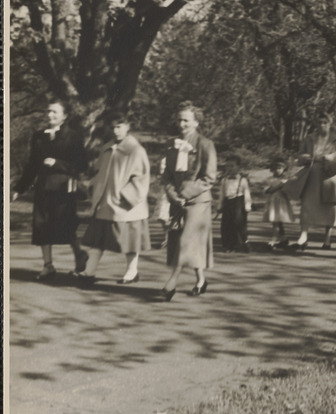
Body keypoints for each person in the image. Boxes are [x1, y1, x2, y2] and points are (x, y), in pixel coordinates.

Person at [13, 100, 89, 280]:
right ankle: (48, 266)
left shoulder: (73, 136)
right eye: (48, 112)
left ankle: (79, 255)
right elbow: (32, 166)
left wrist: (58, 163)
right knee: (41, 225)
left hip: (63, 188)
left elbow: (81, 165)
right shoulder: (39, 136)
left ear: (64, 116)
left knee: (66, 224)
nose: (50, 115)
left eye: (54, 112)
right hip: (43, 188)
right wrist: (19, 188)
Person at [78, 112, 151, 286]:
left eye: (119, 126)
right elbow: (99, 172)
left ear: (128, 127)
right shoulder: (107, 148)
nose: (116, 131)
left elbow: (142, 178)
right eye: (113, 127)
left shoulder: (135, 150)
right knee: (98, 240)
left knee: (130, 242)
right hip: (104, 203)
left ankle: (132, 272)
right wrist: (93, 187)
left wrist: (125, 197)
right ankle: (89, 272)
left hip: (125, 206)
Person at [159, 102, 217, 300]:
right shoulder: (171, 144)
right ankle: (201, 280)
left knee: (186, 241)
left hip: (198, 201)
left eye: (186, 120)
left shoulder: (205, 144)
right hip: (177, 200)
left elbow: (209, 178)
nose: (182, 124)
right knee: (186, 242)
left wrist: (185, 194)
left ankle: (171, 283)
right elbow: (165, 176)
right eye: (179, 120)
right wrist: (174, 196)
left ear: (196, 122)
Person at [291, 113, 336, 251]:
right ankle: (303, 237)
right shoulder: (310, 138)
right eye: (320, 122)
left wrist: (332, 158)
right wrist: (303, 158)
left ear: (330, 124)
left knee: (329, 206)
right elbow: (300, 155)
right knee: (307, 205)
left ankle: (327, 239)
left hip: (330, 176)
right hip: (312, 174)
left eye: (325, 122)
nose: (322, 125)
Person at [217, 158, 252, 252]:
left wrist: (248, 205)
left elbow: (246, 192)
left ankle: (244, 242)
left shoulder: (242, 180)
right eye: (227, 166)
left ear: (238, 167)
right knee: (227, 224)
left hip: (239, 202)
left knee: (239, 223)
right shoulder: (224, 180)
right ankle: (228, 245)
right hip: (228, 202)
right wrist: (220, 205)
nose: (230, 168)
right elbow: (222, 193)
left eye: (232, 166)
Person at [263, 157, 294, 250]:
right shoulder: (270, 179)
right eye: (275, 168)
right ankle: (284, 238)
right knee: (275, 222)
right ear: (272, 169)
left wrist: (286, 185)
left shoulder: (286, 180)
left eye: (280, 168)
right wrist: (280, 185)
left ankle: (274, 239)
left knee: (277, 221)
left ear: (284, 169)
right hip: (272, 202)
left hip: (281, 202)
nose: (277, 170)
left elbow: (290, 192)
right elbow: (268, 190)